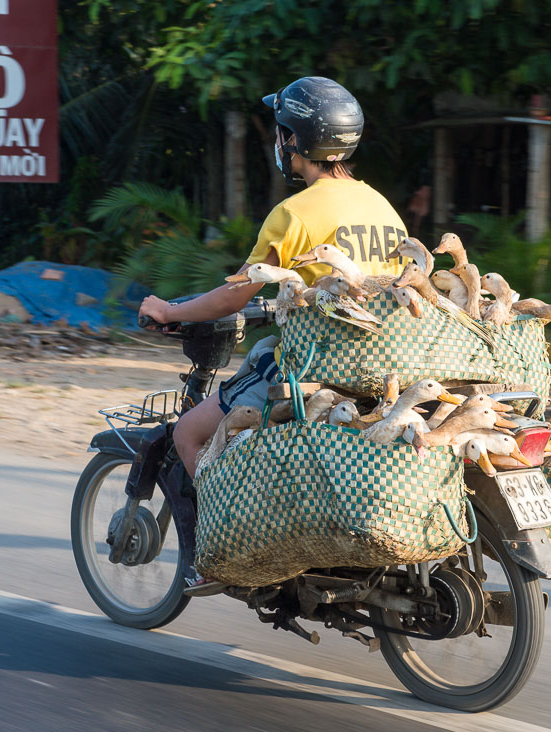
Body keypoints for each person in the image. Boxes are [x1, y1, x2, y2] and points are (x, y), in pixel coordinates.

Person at [138, 76, 410, 586]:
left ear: (296, 142)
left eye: (282, 132)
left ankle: (229, 550)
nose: (277, 142)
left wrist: (170, 310)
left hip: (313, 367)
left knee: (189, 431)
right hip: (383, 365)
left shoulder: (295, 214)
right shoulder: (382, 208)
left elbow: (234, 295)